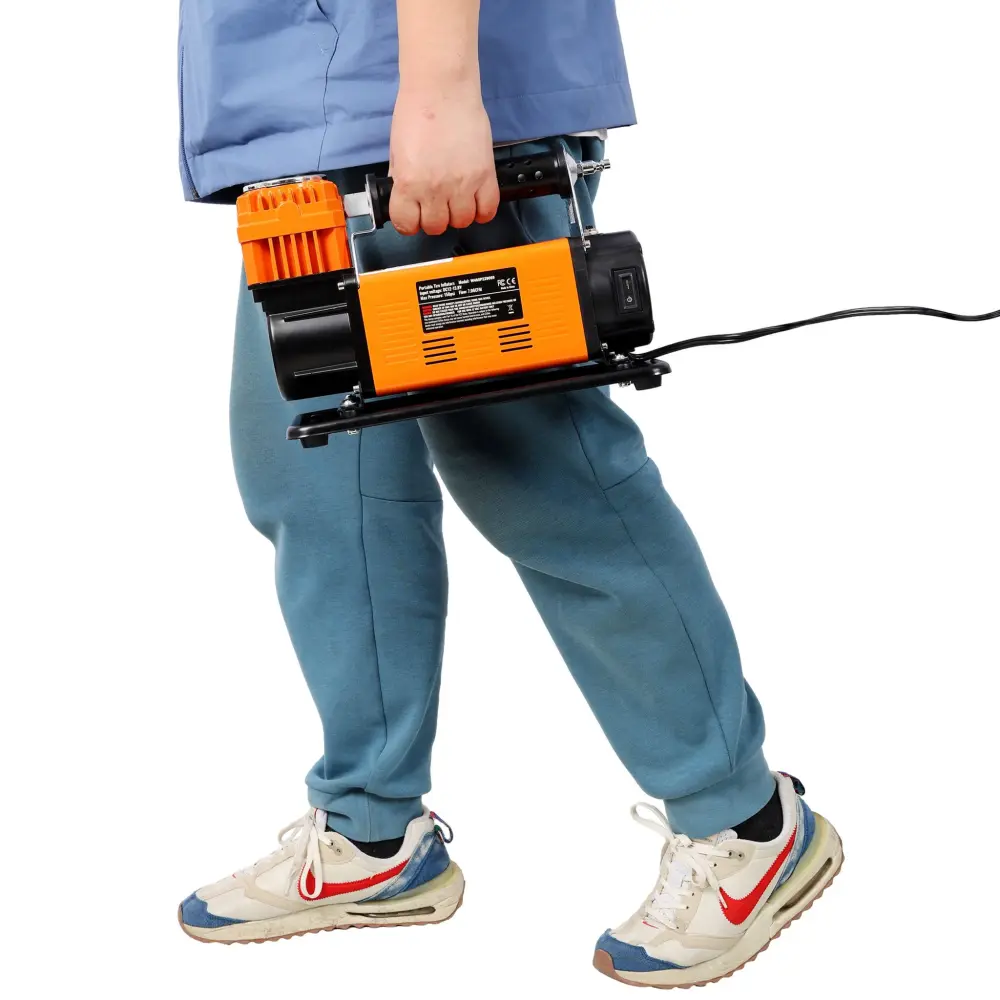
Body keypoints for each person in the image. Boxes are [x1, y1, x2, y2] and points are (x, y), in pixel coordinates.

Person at [175, 0, 842, 987]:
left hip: (419, 103)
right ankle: (371, 834)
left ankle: (743, 820)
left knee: (541, 473)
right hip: (310, 131)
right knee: (315, 483)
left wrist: (440, 90)